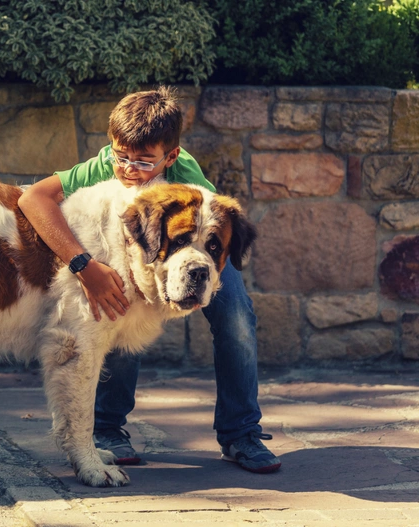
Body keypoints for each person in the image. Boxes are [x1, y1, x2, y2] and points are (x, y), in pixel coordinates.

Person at [18, 86, 281, 474]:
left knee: (236, 317)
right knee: (118, 306)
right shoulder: (105, 164)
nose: (127, 169)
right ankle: (107, 428)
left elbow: (213, 234)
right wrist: (83, 264)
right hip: (139, 258)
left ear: (170, 157)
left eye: (143, 162)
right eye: (120, 156)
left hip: (199, 254)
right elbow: (33, 198)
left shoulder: (188, 180)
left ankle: (241, 432)